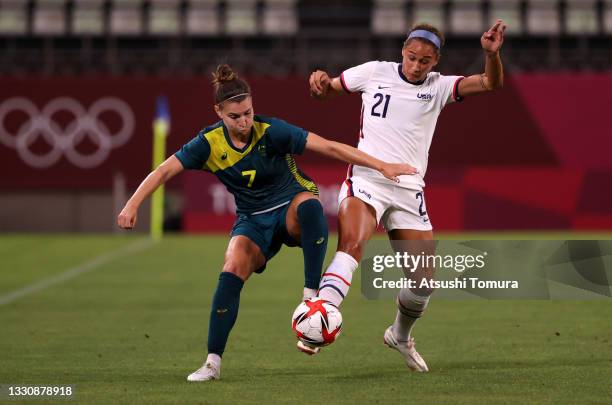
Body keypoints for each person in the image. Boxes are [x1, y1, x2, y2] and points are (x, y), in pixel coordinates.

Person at [117, 64, 417, 381]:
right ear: (218, 111)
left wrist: (382, 165)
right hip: (253, 221)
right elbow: (163, 170)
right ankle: (212, 363)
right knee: (231, 268)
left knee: (310, 206)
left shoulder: (271, 131)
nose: (244, 121)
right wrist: (132, 205)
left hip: (290, 206)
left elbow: (329, 146)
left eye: (248, 112)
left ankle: (311, 297)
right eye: (235, 116)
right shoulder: (208, 144)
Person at [307, 20, 506, 371]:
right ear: (402, 50)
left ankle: (399, 336)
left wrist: (491, 55)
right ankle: (318, 319)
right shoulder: (373, 72)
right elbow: (327, 92)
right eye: (412, 57)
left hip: (409, 190)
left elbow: (491, 83)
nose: (416, 66)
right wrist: (320, 82)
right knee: (352, 245)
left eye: (425, 61)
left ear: (435, 62)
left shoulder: (440, 86)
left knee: (423, 283)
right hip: (368, 179)